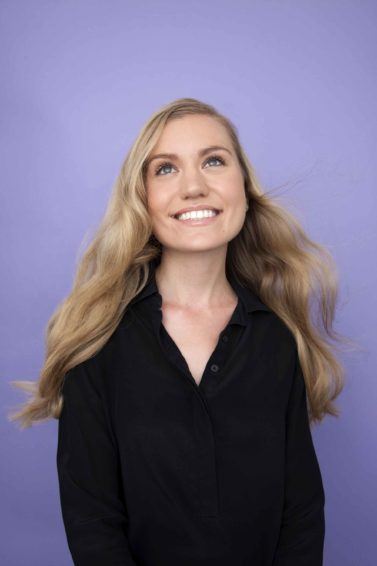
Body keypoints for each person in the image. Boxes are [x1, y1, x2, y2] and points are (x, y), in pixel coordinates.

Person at [9, 97, 352, 565]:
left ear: (244, 188)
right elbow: (92, 524)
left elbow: (302, 514)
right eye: (165, 169)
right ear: (142, 197)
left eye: (213, 161)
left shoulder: (277, 338)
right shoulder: (97, 338)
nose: (194, 186)